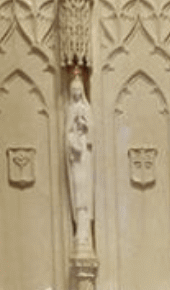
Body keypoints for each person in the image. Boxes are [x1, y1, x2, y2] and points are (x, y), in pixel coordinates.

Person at [66, 71, 94, 251]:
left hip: (85, 154)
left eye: (79, 89)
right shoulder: (70, 109)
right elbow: (67, 132)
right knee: (78, 192)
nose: (76, 93)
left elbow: (93, 134)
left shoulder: (87, 108)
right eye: (74, 90)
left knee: (85, 193)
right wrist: (72, 142)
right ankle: (80, 231)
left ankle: (86, 233)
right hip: (76, 156)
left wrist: (86, 128)